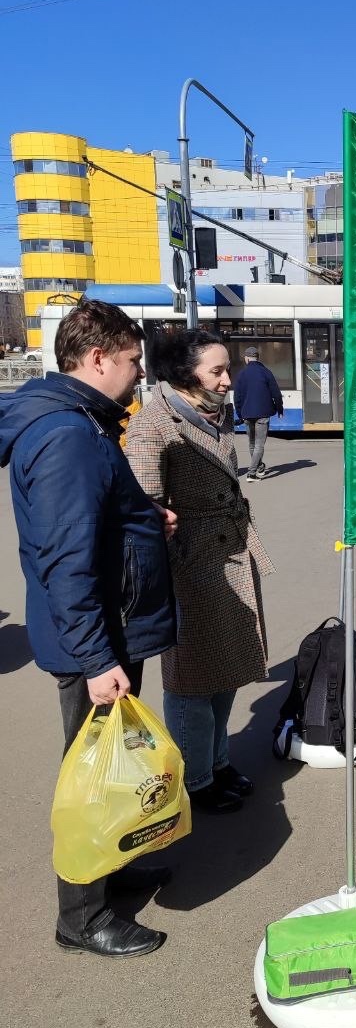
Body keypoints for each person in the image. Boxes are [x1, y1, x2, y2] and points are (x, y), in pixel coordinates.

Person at [0, 300, 178, 958]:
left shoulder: (80, 423)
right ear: (97, 358)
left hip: (105, 630)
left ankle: (115, 868)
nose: (139, 374)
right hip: (95, 642)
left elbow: (91, 525)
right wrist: (99, 657)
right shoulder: (70, 436)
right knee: (91, 776)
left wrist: (143, 522)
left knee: (113, 768)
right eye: (133, 361)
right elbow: (67, 560)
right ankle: (82, 917)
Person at [125, 330, 274, 814]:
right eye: (217, 370)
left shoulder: (212, 412)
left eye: (226, 368)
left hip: (227, 554)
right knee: (191, 678)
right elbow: (142, 510)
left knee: (227, 665)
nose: (228, 380)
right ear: (186, 374)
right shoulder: (154, 425)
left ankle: (219, 759)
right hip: (188, 567)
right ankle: (196, 779)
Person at [232, 346, 283, 481]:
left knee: (252, 443)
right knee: (259, 444)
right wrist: (280, 409)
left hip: (247, 414)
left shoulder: (241, 374)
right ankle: (252, 473)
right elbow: (276, 394)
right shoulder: (266, 372)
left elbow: (237, 397)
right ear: (257, 358)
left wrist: (240, 413)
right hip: (263, 414)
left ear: (247, 358)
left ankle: (260, 468)